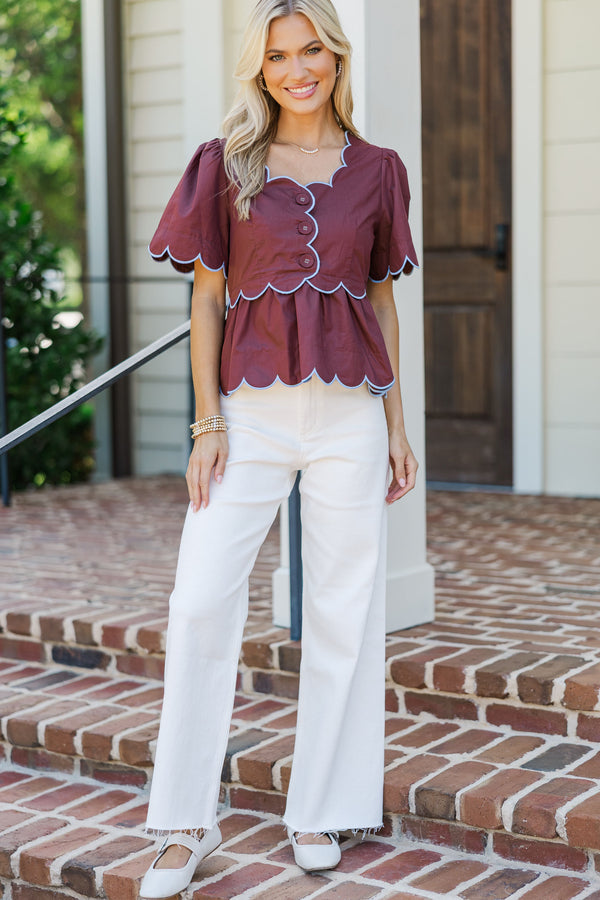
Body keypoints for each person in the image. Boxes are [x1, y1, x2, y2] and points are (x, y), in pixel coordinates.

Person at [139, 0, 418, 896]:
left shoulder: (380, 171)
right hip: (249, 416)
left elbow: (381, 303)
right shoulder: (227, 164)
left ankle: (321, 808)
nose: (297, 70)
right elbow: (206, 302)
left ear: (336, 57)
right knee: (199, 600)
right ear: (259, 71)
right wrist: (206, 423)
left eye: (312, 52)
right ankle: (183, 824)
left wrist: (398, 425)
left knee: (345, 610)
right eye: (278, 58)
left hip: (348, 415)